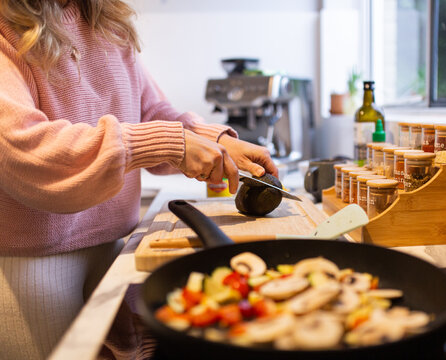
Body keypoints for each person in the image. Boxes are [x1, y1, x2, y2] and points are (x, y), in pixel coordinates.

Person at [0, 0, 278, 358]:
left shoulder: (106, 18)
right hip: (35, 268)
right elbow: (26, 152)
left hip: (117, 246)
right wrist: (170, 144)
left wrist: (216, 141)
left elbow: (148, 112)